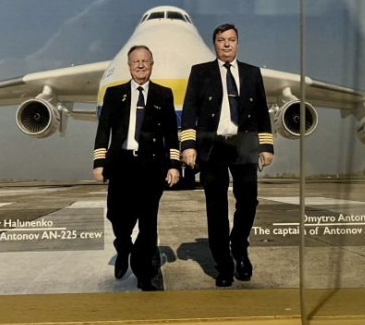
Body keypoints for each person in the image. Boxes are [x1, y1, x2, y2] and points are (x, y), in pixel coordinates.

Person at [180, 24, 274, 287]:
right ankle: (223, 265)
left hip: (244, 144)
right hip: (212, 145)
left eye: (231, 39)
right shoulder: (200, 72)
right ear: (215, 44)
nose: (226, 44)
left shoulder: (252, 73)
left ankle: (239, 248)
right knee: (216, 206)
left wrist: (266, 146)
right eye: (221, 40)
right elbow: (189, 110)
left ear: (238, 43)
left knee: (249, 201)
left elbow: (262, 112)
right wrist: (188, 145)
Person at [93, 45, 181, 291]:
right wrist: (99, 162)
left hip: (151, 167)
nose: (140, 65)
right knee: (118, 217)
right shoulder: (114, 93)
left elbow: (171, 134)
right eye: (136, 61)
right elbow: (103, 130)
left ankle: (143, 274)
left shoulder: (164, 94)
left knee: (148, 222)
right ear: (129, 65)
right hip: (121, 165)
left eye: (145, 61)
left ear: (151, 64)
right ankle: (123, 248)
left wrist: (174, 165)